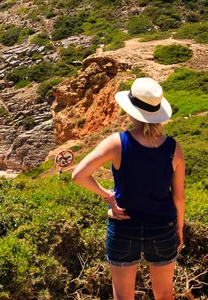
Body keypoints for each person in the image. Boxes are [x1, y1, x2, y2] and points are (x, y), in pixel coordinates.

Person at [72, 78, 185, 300]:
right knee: (164, 295)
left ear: (131, 111)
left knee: (123, 297)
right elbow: (178, 197)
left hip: (124, 226)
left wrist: (108, 197)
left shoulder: (117, 142)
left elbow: (78, 175)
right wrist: (179, 228)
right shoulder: (174, 148)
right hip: (163, 227)